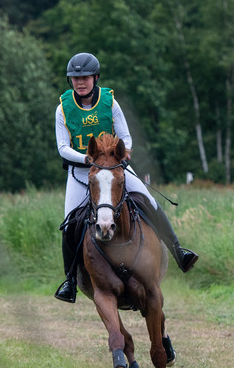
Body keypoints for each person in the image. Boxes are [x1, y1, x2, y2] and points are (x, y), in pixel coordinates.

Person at [54, 52, 198, 303]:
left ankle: (179, 253)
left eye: (85, 77)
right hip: (80, 173)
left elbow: (126, 137)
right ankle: (70, 281)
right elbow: (62, 147)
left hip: (114, 168)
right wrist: (87, 160)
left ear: (95, 78)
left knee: (150, 203)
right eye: (75, 78)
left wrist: (117, 158)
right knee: (70, 225)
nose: (80, 82)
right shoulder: (62, 109)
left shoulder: (110, 103)